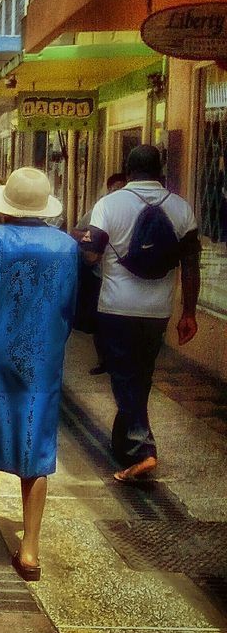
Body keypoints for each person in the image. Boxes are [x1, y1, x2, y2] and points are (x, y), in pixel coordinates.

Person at [0, 168, 79, 581]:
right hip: (45, 356)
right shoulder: (65, 246)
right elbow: (70, 305)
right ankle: (30, 550)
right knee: (38, 443)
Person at [79, 144, 199, 483]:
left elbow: (89, 256)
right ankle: (124, 446)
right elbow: (191, 266)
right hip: (157, 311)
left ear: (128, 170)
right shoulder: (181, 209)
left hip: (116, 307)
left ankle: (143, 450)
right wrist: (188, 312)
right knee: (139, 377)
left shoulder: (109, 204)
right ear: (160, 170)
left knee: (123, 378)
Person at [75, 173, 126, 374]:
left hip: (125, 279)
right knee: (100, 323)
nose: (118, 193)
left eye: (123, 188)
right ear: (109, 188)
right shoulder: (101, 208)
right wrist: (95, 238)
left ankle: (120, 362)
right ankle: (104, 360)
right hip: (101, 276)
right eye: (115, 189)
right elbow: (77, 231)